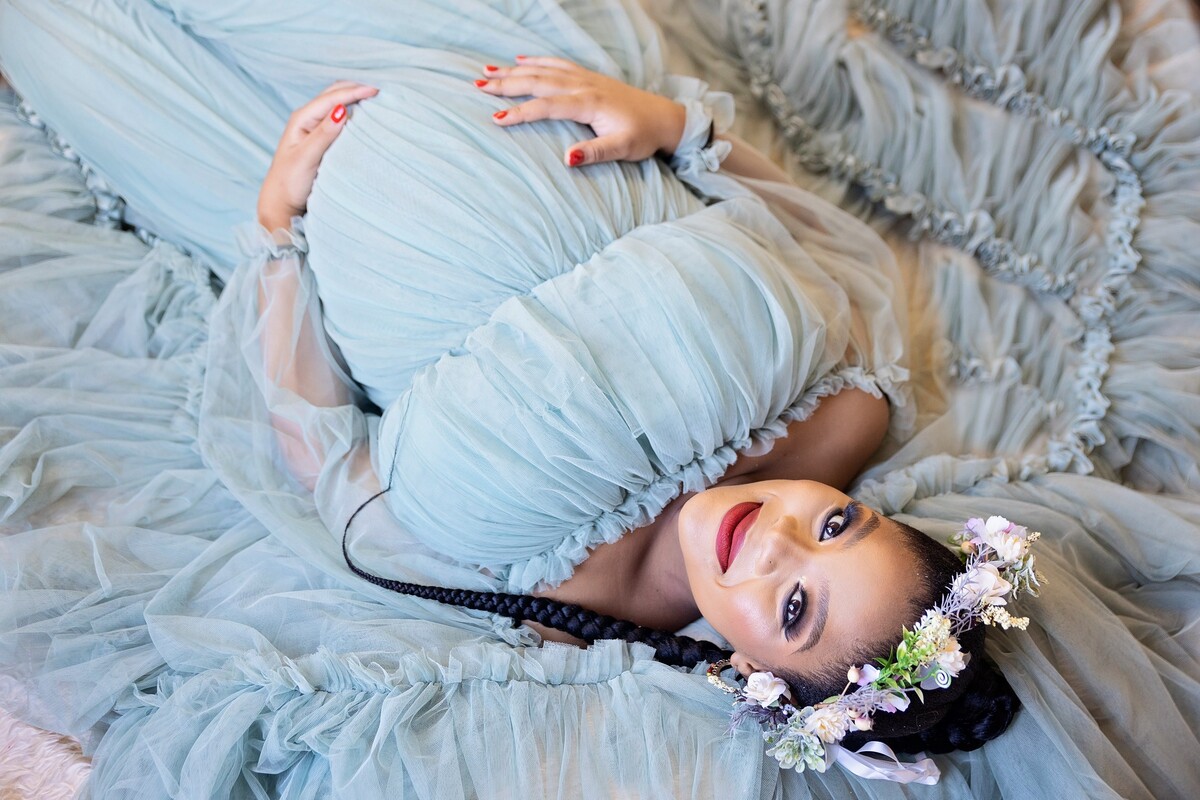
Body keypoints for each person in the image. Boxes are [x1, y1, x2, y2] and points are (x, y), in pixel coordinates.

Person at [252, 59, 1023, 777]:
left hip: (329, 196)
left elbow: (328, 460)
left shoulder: (552, 610)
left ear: (753, 674)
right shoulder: (850, 411)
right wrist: (676, 126)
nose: (775, 537)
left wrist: (277, 233)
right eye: (836, 525)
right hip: (504, 98)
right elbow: (801, 229)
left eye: (795, 608)